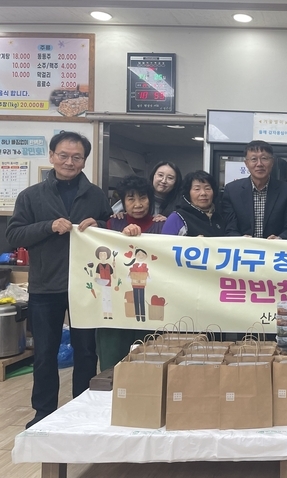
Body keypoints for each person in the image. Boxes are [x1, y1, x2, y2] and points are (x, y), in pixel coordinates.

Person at [6, 131, 112, 428]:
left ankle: (83, 409)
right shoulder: (31, 196)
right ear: (52, 156)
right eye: (63, 155)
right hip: (45, 284)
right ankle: (44, 413)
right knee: (44, 352)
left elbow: (110, 231)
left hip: (86, 286)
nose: (69, 162)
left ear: (84, 161)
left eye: (77, 157)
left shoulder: (96, 195)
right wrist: (49, 226)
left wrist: (99, 224)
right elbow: (13, 235)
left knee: (87, 352)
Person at [97, 176, 165, 371]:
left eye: (143, 198)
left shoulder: (162, 225)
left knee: (149, 359)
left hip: (150, 303)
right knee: (113, 360)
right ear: (123, 202)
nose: (138, 204)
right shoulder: (112, 225)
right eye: (131, 199)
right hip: (117, 303)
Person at [221, 140, 287, 239]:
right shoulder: (232, 191)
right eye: (254, 159)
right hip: (243, 247)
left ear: (272, 162)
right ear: (246, 163)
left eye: (264, 158)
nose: (259, 164)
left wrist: (280, 238)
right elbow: (229, 227)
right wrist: (241, 240)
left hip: (275, 247)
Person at [162, 170, 226, 237]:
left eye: (207, 188)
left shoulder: (220, 217)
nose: (203, 193)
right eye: (197, 189)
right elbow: (165, 242)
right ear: (188, 192)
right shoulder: (177, 218)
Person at [111, 161, 182, 219]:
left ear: (176, 182)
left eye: (170, 178)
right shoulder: (138, 193)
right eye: (160, 175)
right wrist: (118, 216)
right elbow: (111, 215)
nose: (163, 181)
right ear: (153, 176)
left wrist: (169, 222)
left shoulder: (179, 204)